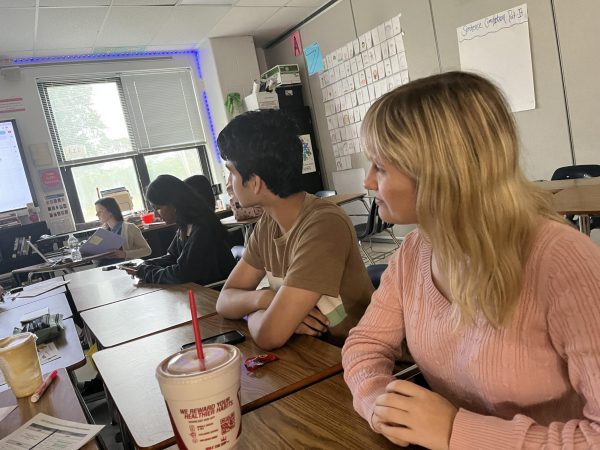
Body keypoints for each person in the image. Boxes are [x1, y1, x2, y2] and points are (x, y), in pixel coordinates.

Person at [341, 71, 600, 449]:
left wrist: (455, 432)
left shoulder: (563, 262)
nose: (367, 182)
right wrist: (378, 402)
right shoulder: (415, 251)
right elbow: (364, 345)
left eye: (380, 166)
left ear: (438, 173)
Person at [215, 109, 374, 350]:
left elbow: (270, 335)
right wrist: (265, 299)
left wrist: (258, 314)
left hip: (356, 359)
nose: (228, 184)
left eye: (232, 172)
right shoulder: (267, 225)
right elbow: (224, 300)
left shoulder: (323, 226)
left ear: (255, 182)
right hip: (312, 354)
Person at [123, 175, 235, 285]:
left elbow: (182, 273)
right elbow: (173, 257)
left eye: (158, 208)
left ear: (174, 203)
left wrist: (146, 272)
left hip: (214, 292)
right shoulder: (185, 225)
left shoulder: (203, 227)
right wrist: (144, 265)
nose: (155, 214)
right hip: (199, 288)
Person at [94, 197, 151, 264]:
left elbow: (147, 250)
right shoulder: (100, 232)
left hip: (125, 268)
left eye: (100, 211)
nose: (97, 214)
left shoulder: (130, 228)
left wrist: (124, 254)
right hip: (104, 269)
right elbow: (94, 259)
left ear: (110, 211)